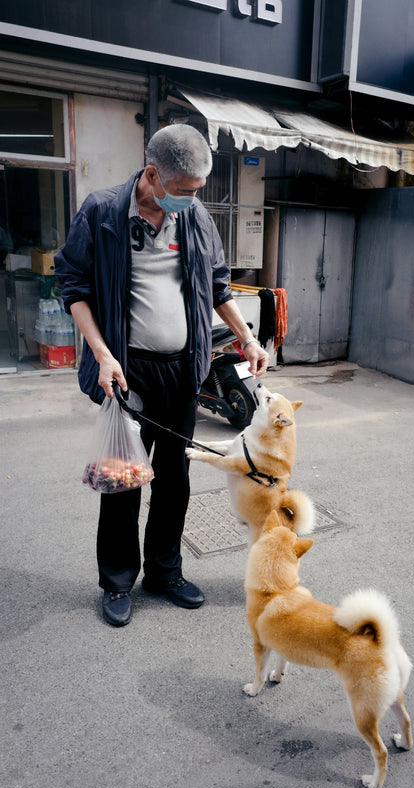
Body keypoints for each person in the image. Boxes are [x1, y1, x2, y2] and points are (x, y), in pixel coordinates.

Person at [55, 124, 269, 627]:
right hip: (126, 371)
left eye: (199, 191)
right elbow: (74, 287)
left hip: (181, 370)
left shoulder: (195, 218)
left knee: (175, 478)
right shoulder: (103, 212)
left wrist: (248, 338)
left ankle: (164, 573)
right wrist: (103, 355)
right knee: (124, 479)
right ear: (153, 174)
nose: (195, 200)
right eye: (188, 190)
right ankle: (117, 580)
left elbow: (218, 287)